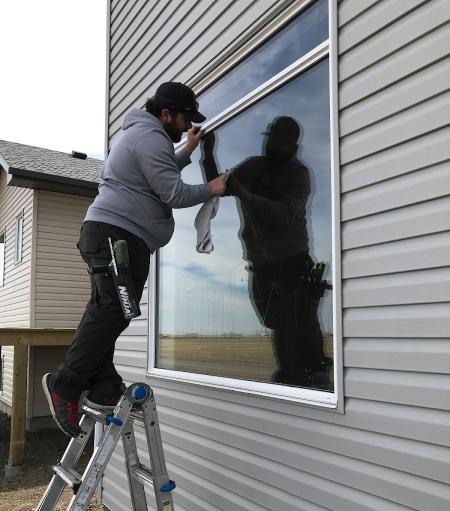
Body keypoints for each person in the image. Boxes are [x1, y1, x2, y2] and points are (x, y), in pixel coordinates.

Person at [43, 82, 227, 437]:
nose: (187, 125)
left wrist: (187, 150)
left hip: (109, 232)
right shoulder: (151, 137)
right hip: (118, 235)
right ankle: (65, 385)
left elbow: (156, 172)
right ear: (165, 114)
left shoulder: (145, 135)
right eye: (185, 118)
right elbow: (172, 191)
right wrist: (212, 188)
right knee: (111, 310)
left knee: (109, 309)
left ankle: (104, 388)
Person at [203, 116, 330, 387]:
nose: (272, 143)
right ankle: (291, 376)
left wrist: (246, 195)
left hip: (294, 262)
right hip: (261, 264)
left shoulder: (299, 174)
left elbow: (285, 214)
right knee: (277, 322)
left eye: (280, 140)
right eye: (271, 137)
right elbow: (219, 186)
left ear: (293, 147)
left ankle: (314, 374)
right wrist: (207, 153)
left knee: (301, 321)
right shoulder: (252, 166)